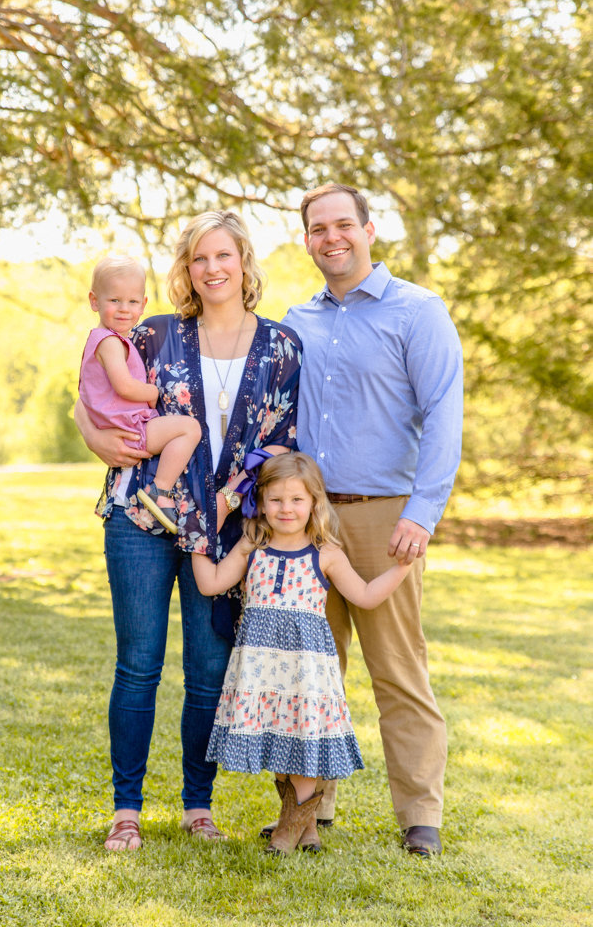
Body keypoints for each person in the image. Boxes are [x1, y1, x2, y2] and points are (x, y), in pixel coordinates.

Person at [74, 211, 301, 851]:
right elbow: (92, 395)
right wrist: (91, 436)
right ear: (187, 268)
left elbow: (280, 442)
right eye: (200, 258)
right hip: (140, 516)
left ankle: (198, 805)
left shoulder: (282, 347)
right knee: (138, 666)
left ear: (243, 262)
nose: (212, 268)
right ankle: (127, 809)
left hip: (224, 529)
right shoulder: (153, 333)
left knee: (208, 671)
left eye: (223, 255)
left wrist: (231, 499)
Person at [282, 182, 463, 858]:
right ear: (305, 240)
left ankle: (419, 813)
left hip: (386, 517)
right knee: (314, 667)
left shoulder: (416, 311)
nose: (330, 237)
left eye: (341, 225)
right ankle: (311, 803)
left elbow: (444, 412)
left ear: (367, 228)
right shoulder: (297, 320)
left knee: (397, 670)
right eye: (316, 229)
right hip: (308, 520)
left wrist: (422, 512)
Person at [192, 451, 413, 856]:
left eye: (297, 500)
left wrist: (400, 569)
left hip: (306, 671)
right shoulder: (252, 544)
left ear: (315, 502)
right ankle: (305, 827)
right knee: (280, 739)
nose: (286, 509)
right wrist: (196, 542)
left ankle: (286, 832)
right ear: (261, 501)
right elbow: (212, 583)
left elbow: (363, 596)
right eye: (275, 500)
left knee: (303, 740)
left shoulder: (325, 552)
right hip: (262, 670)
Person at [79, 255, 202, 533]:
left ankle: (159, 489)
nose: (124, 309)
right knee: (190, 429)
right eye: (114, 301)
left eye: (132, 302)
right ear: (94, 301)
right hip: (132, 430)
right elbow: (123, 385)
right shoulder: (109, 342)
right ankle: (160, 490)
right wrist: (153, 392)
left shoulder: (112, 338)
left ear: (143, 304)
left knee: (186, 429)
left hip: (128, 427)